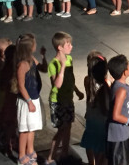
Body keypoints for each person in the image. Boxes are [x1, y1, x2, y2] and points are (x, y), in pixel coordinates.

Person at [45, 31, 85, 164]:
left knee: (68, 128)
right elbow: (57, 84)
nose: (71, 46)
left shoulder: (70, 59)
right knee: (62, 129)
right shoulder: (54, 64)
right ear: (60, 47)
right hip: (58, 101)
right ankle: (50, 157)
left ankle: (64, 154)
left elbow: (70, 79)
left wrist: (77, 91)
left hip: (68, 99)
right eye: (68, 45)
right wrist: (62, 66)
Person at [15, 33, 45, 165]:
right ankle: (21, 155)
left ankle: (30, 149)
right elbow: (21, 85)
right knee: (24, 130)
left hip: (34, 99)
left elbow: (43, 68)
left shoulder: (31, 59)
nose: (36, 45)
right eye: (34, 43)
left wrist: (43, 56)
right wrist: (29, 102)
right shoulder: (23, 64)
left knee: (31, 127)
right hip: (27, 101)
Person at [107, 55, 129, 165]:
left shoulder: (123, 86)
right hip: (117, 136)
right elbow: (115, 115)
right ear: (125, 72)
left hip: (123, 133)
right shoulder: (121, 90)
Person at [81, 51, 110, 165]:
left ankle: (91, 162)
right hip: (101, 121)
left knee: (91, 142)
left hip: (91, 117)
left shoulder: (87, 80)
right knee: (102, 150)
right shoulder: (105, 84)